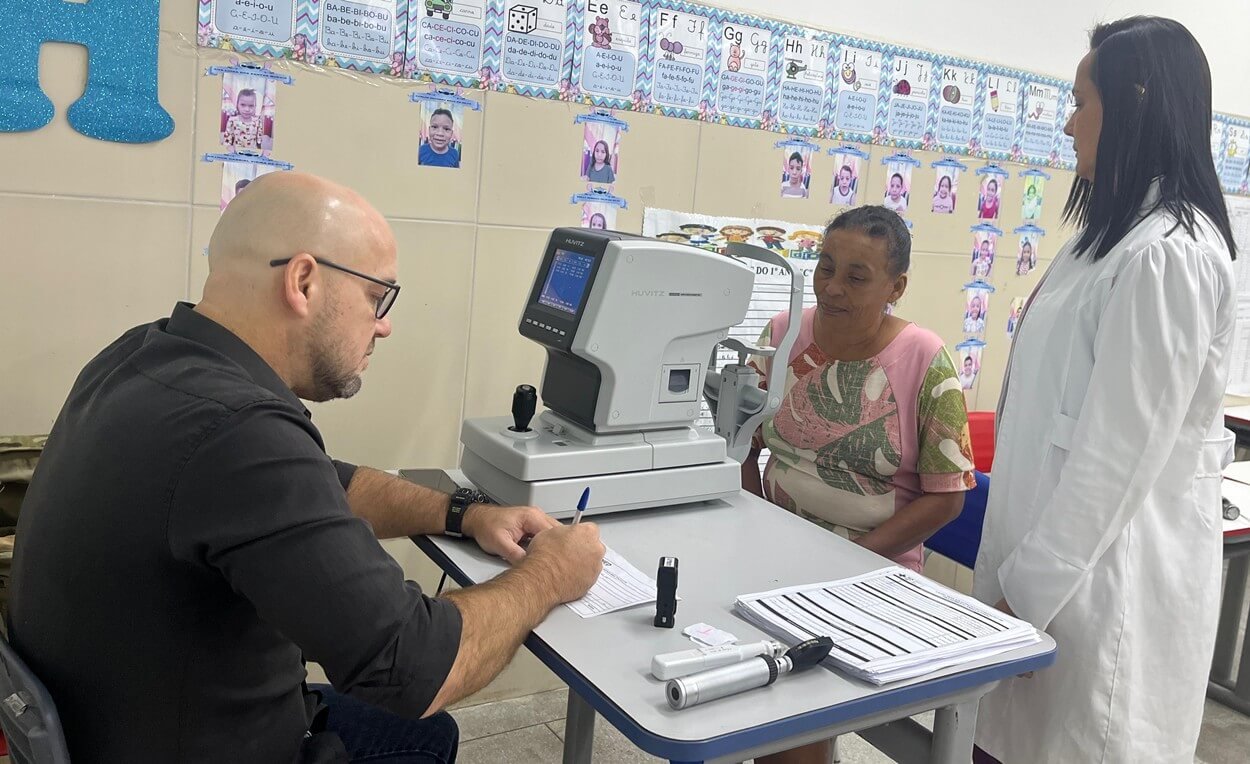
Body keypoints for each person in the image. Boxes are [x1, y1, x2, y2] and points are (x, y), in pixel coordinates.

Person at [8, 172, 606, 763]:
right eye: (377, 297)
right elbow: (411, 668)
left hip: (131, 721)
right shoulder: (239, 432)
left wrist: (464, 514)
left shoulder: (143, 356)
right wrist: (552, 572)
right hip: (206, 740)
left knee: (431, 738)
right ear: (303, 281)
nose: (384, 324)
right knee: (421, 728)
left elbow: (322, 482)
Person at [972, 17, 1239, 764]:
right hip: (1043, 577)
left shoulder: (1170, 254)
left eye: (1081, 103)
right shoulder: (1104, 241)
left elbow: (1114, 461)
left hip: (1102, 598)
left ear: (1136, 103)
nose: (1068, 124)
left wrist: (1024, 601)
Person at [744, 207, 975, 764]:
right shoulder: (781, 335)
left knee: (785, 710)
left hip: (874, 571)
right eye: (825, 267)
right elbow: (742, 443)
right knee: (721, 679)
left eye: (856, 276)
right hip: (772, 552)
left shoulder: (925, 359)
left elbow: (947, 498)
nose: (832, 287)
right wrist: (753, 529)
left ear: (896, 287)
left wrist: (846, 561)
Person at [223, 87, 267, 153]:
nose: (247, 109)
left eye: (251, 106)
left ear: (255, 106)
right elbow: (227, 141)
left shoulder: (258, 121)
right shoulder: (232, 121)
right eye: (243, 105)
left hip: (252, 153)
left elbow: (259, 141)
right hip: (237, 152)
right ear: (237, 105)